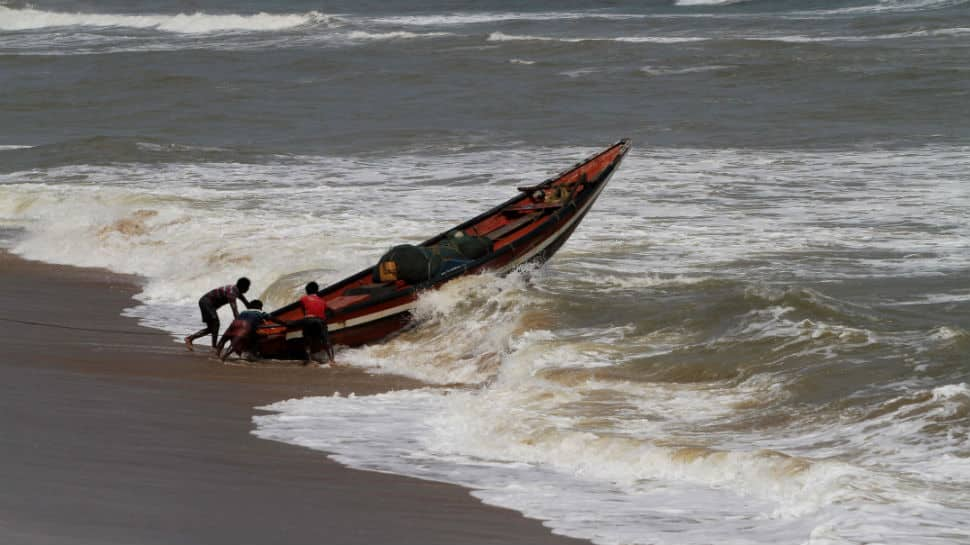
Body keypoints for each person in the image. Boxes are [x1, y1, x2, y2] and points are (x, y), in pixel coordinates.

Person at [184, 277, 252, 352]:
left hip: (209, 304)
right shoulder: (232, 292)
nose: (248, 289)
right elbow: (235, 310)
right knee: (215, 325)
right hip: (206, 302)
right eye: (248, 287)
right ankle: (211, 346)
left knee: (212, 328)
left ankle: (192, 339)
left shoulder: (237, 291)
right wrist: (241, 324)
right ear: (243, 287)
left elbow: (247, 304)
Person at [217, 300, 287, 361]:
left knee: (223, 341)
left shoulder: (244, 311)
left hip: (233, 324)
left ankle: (216, 356)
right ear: (260, 307)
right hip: (244, 326)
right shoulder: (260, 312)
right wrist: (284, 323)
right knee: (235, 344)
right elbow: (272, 318)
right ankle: (251, 355)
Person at [293, 281, 334, 365]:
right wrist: (325, 319)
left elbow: (304, 312)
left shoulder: (303, 299)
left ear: (306, 291)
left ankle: (309, 359)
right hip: (320, 320)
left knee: (307, 340)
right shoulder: (322, 301)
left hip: (308, 319)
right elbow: (330, 311)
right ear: (317, 290)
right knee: (326, 340)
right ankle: (332, 360)